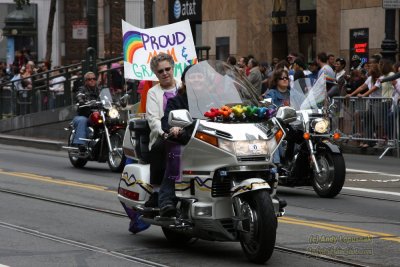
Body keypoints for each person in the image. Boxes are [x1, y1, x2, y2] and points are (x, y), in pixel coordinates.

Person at [145, 53, 181, 217]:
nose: (165, 73)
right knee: (160, 146)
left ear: (173, 69)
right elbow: (153, 119)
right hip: (163, 135)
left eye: (167, 69)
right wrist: (165, 133)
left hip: (187, 133)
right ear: (156, 74)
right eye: (161, 71)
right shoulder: (153, 93)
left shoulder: (184, 86)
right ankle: (158, 191)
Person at [157, 65, 195, 217]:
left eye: (200, 77)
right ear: (184, 81)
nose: (196, 80)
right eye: (192, 77)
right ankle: (166, 199)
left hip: (207, 139)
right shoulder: (176, 101)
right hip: (184, 139)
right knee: (175, 153)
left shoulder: (212, 101)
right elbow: (166, 121)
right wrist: (174, 129)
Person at [264, 69, 290, 165]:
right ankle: (277, 163)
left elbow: (302, 103)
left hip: (292, 123)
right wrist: (273, 109)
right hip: (278, 123)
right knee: (275, 134)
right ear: (276, 80)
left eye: (286, 78)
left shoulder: (292, 93)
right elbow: (268, 107)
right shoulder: (271, 93)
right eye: (281, 78)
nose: (284, 80)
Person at [71, 72, 100, 150]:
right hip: (84, 115)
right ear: (86, 81)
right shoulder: (82, 89)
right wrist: (81, 100)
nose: (92, 81)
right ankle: (81, 144)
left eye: (94, 79)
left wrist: (116, 102)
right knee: (82, 120)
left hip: (98, 115)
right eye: (89, 79)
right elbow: (79, 95)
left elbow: (108, 98)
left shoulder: (99, 89)